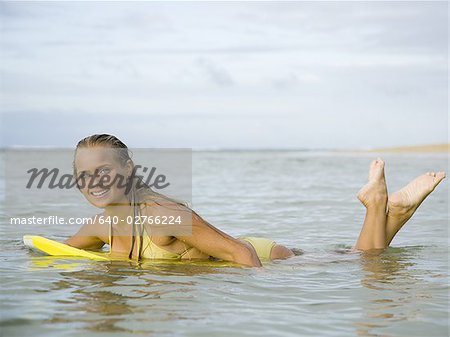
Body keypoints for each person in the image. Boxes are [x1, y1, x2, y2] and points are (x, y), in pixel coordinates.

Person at [64, 134, 446, 267]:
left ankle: (380, 206)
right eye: (84, 174)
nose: (92, 182)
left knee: (366, 265)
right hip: (239, 253)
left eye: (103, 171)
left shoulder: (161, 215)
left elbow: (242, 256)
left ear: (128, 170)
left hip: (264, 257)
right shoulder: (103, 222)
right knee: (359, 257)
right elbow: (57, 251)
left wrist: (258, 303)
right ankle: (389, 209)